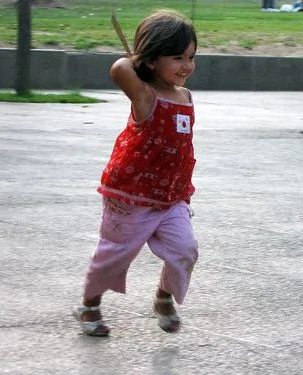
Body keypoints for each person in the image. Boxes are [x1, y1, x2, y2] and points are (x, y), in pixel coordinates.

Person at [72, 9, 199, 336]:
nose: (186, 65)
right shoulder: (144, 95)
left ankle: (163, 296)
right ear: (152, 60)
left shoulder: (185, 95)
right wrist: (140, 61)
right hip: (131, 196)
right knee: (115, 254)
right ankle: (89, 304)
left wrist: (183, 190)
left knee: (185, 249)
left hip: (172, 197)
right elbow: (119, 67)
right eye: (177, 57)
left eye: (191, 57)